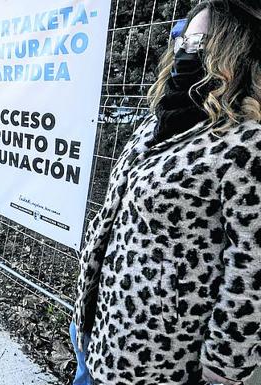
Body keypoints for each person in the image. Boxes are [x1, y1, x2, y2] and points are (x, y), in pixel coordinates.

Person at [73, 1, 261, 384]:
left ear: (232, 48)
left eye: (198, 42)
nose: (183, 50)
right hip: (100, 319)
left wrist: (225, 364)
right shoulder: (158, 119)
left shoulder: (248, 141)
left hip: (163, 353)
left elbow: (252, 266)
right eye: (182, 38)